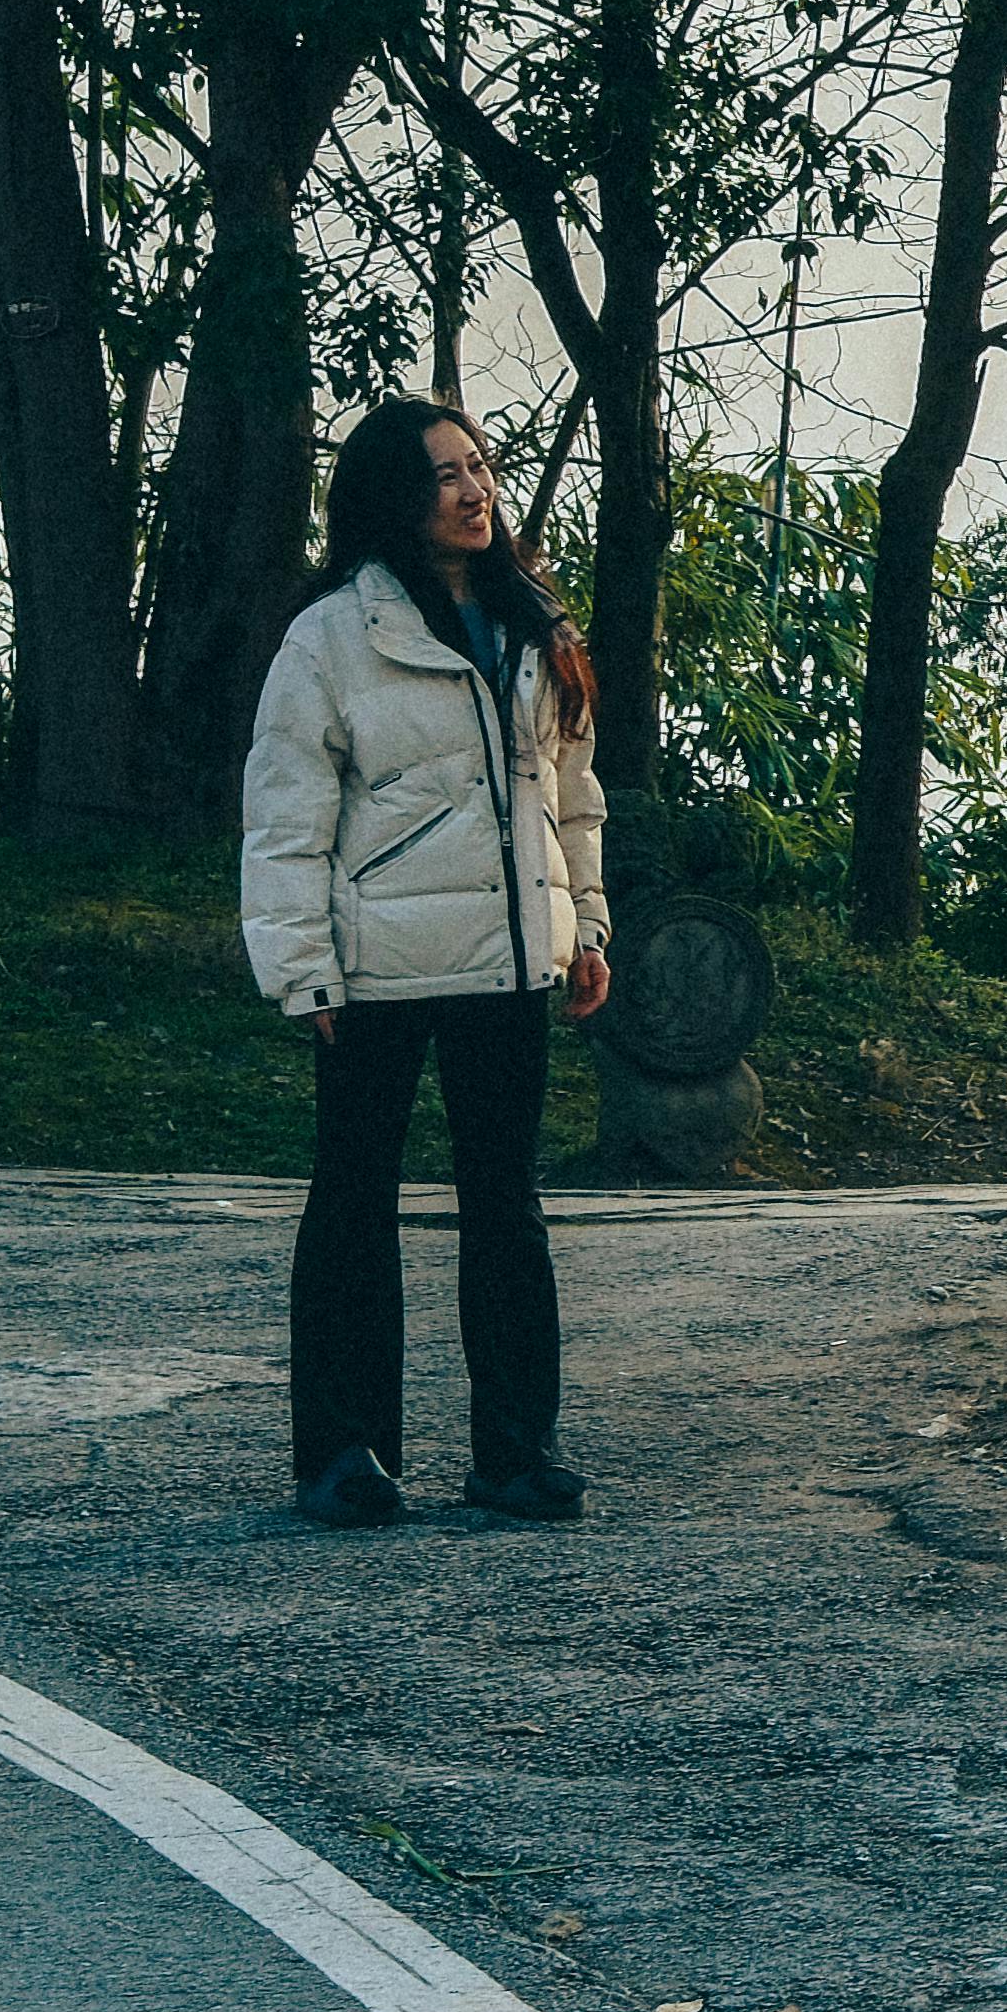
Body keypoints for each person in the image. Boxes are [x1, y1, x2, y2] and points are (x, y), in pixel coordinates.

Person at [238, 399, 615, 1524]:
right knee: (354, 1204)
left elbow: (572, 797)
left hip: (509, 967)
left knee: (508, 1207)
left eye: (480, 467)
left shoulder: (532, 623)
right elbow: (286, 814)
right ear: (392, 501)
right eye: (445, 474)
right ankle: (344, 1457)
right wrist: (302, 967)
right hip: (377, 970)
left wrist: (584, 926)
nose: (473, 489)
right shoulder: (332, 638)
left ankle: (514, 1453)